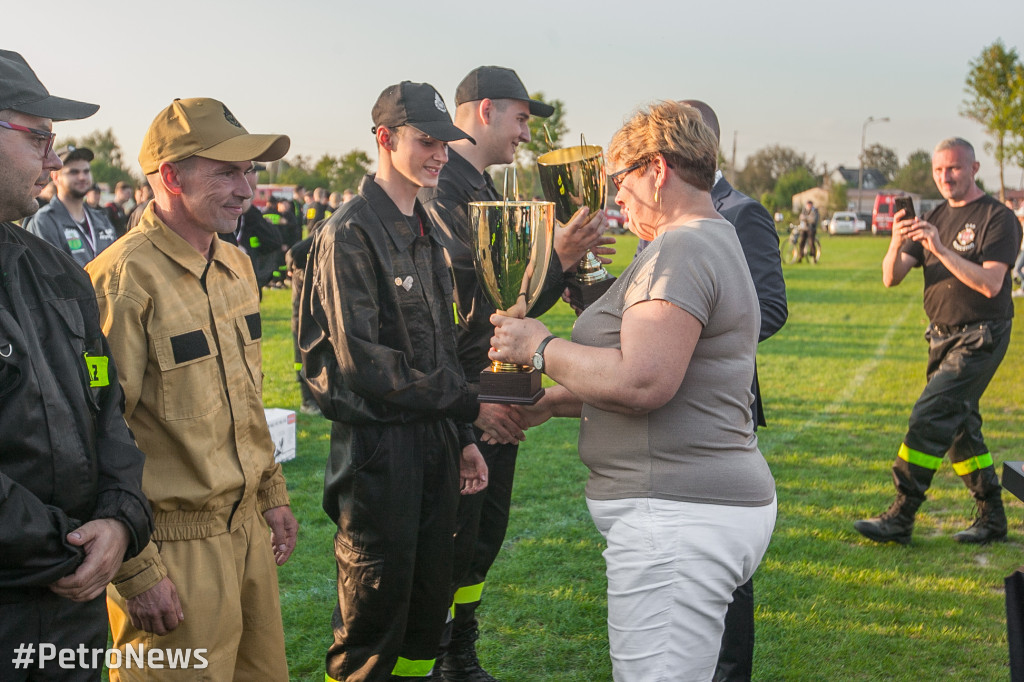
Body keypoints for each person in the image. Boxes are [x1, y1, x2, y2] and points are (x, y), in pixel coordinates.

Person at [488, 101, 777, 680]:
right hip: (689, 508)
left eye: (620, 179)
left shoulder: (683, 248)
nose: (614, 197)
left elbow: (644, 381)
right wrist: (549, 402)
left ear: (659, 169)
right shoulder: (699, 239)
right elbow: (670, 374)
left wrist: (541, 349)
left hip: (677, 515)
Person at [87, 97, 298, 680]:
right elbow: (95, 438)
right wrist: (135, 569)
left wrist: (272, 494)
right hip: (172, 550)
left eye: (250, 171)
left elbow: (248, 399)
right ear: (171, 177)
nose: (246, 189)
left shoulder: (236, 264)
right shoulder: (121, 280)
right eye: (226, 171)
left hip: (247, 532)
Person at [419, 64, 610, 682]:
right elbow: (477, 302)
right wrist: (555, 255)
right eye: (521, 118)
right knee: (452, 534)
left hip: (500, 386)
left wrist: (574, 267)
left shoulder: (487, 191)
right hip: (462, 395)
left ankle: (458, 652)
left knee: (482, 532)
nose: (527, 133)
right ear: (483, 111)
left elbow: (518, 307)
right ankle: (436, 652)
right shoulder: (440, 190)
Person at [299, 81, 489, 682]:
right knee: (371, 625)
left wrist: (461, 436)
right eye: (426, 141)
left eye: (445, 142)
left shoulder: (428, 227)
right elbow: (363, 363)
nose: (440, 154)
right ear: (385, 139)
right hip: (377, 452)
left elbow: (444, 348)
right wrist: (466, 401)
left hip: (433, 442)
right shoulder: (349, 232)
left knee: (426, 612)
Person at [0, 48, 152, 681]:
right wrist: (68, 546)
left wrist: (120, 521)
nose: (55, 160)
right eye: (38, 137)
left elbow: (105, 406)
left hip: (74, 610)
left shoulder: (55, 270)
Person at [636, 99, 787, 682]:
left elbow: (767, 308)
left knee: (723, 563)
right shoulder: (661, 209)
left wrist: (685, 336)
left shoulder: (742, 212)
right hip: (666, 408)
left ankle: (729, 673)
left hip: (718, 407)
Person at [854, 137, 1022, 545]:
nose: (946, 177)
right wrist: (898, 239)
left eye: (955, 169)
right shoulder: (934, 216)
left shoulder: (998, 218)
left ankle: (902, 513)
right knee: (960, 428)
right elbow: (891, 277)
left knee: (930, 416)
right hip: (941, 337)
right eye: (939, 170)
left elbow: (990, 284)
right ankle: (992, 517)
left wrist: (940, 248)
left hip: (982, 335)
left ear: (974, 168)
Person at [24, 145, 118, 266]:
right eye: (74, 172)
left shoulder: (101, 219)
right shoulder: (44, 221)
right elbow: (51, 274)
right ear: (56, 177)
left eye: (86, 171)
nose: (82, 177)